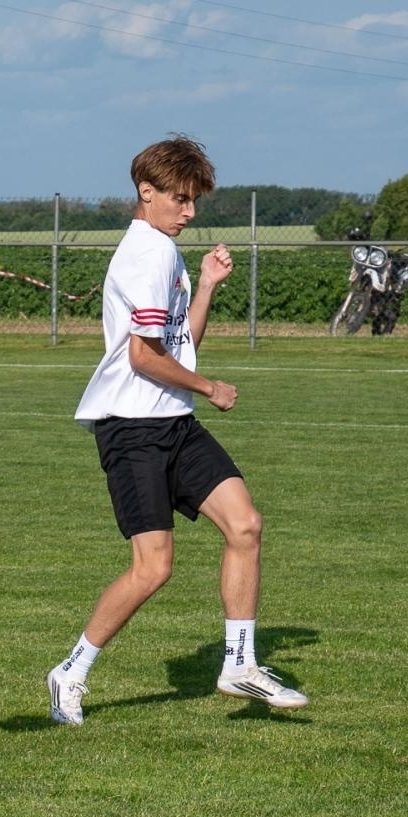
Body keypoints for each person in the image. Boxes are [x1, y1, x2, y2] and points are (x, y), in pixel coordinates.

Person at [47, 136, 308, 726]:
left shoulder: (169, 254)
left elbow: (176, 345)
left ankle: (239, 665)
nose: (190, 212)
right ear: (147, 192)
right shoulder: (146, 254)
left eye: (194, 201)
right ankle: (72, 670)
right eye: (181, 199)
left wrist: (208, 286)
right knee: (153, 568)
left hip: (173, 422)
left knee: (245, 524)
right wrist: (209, 386)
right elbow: (142, 357)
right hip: (132, 430)